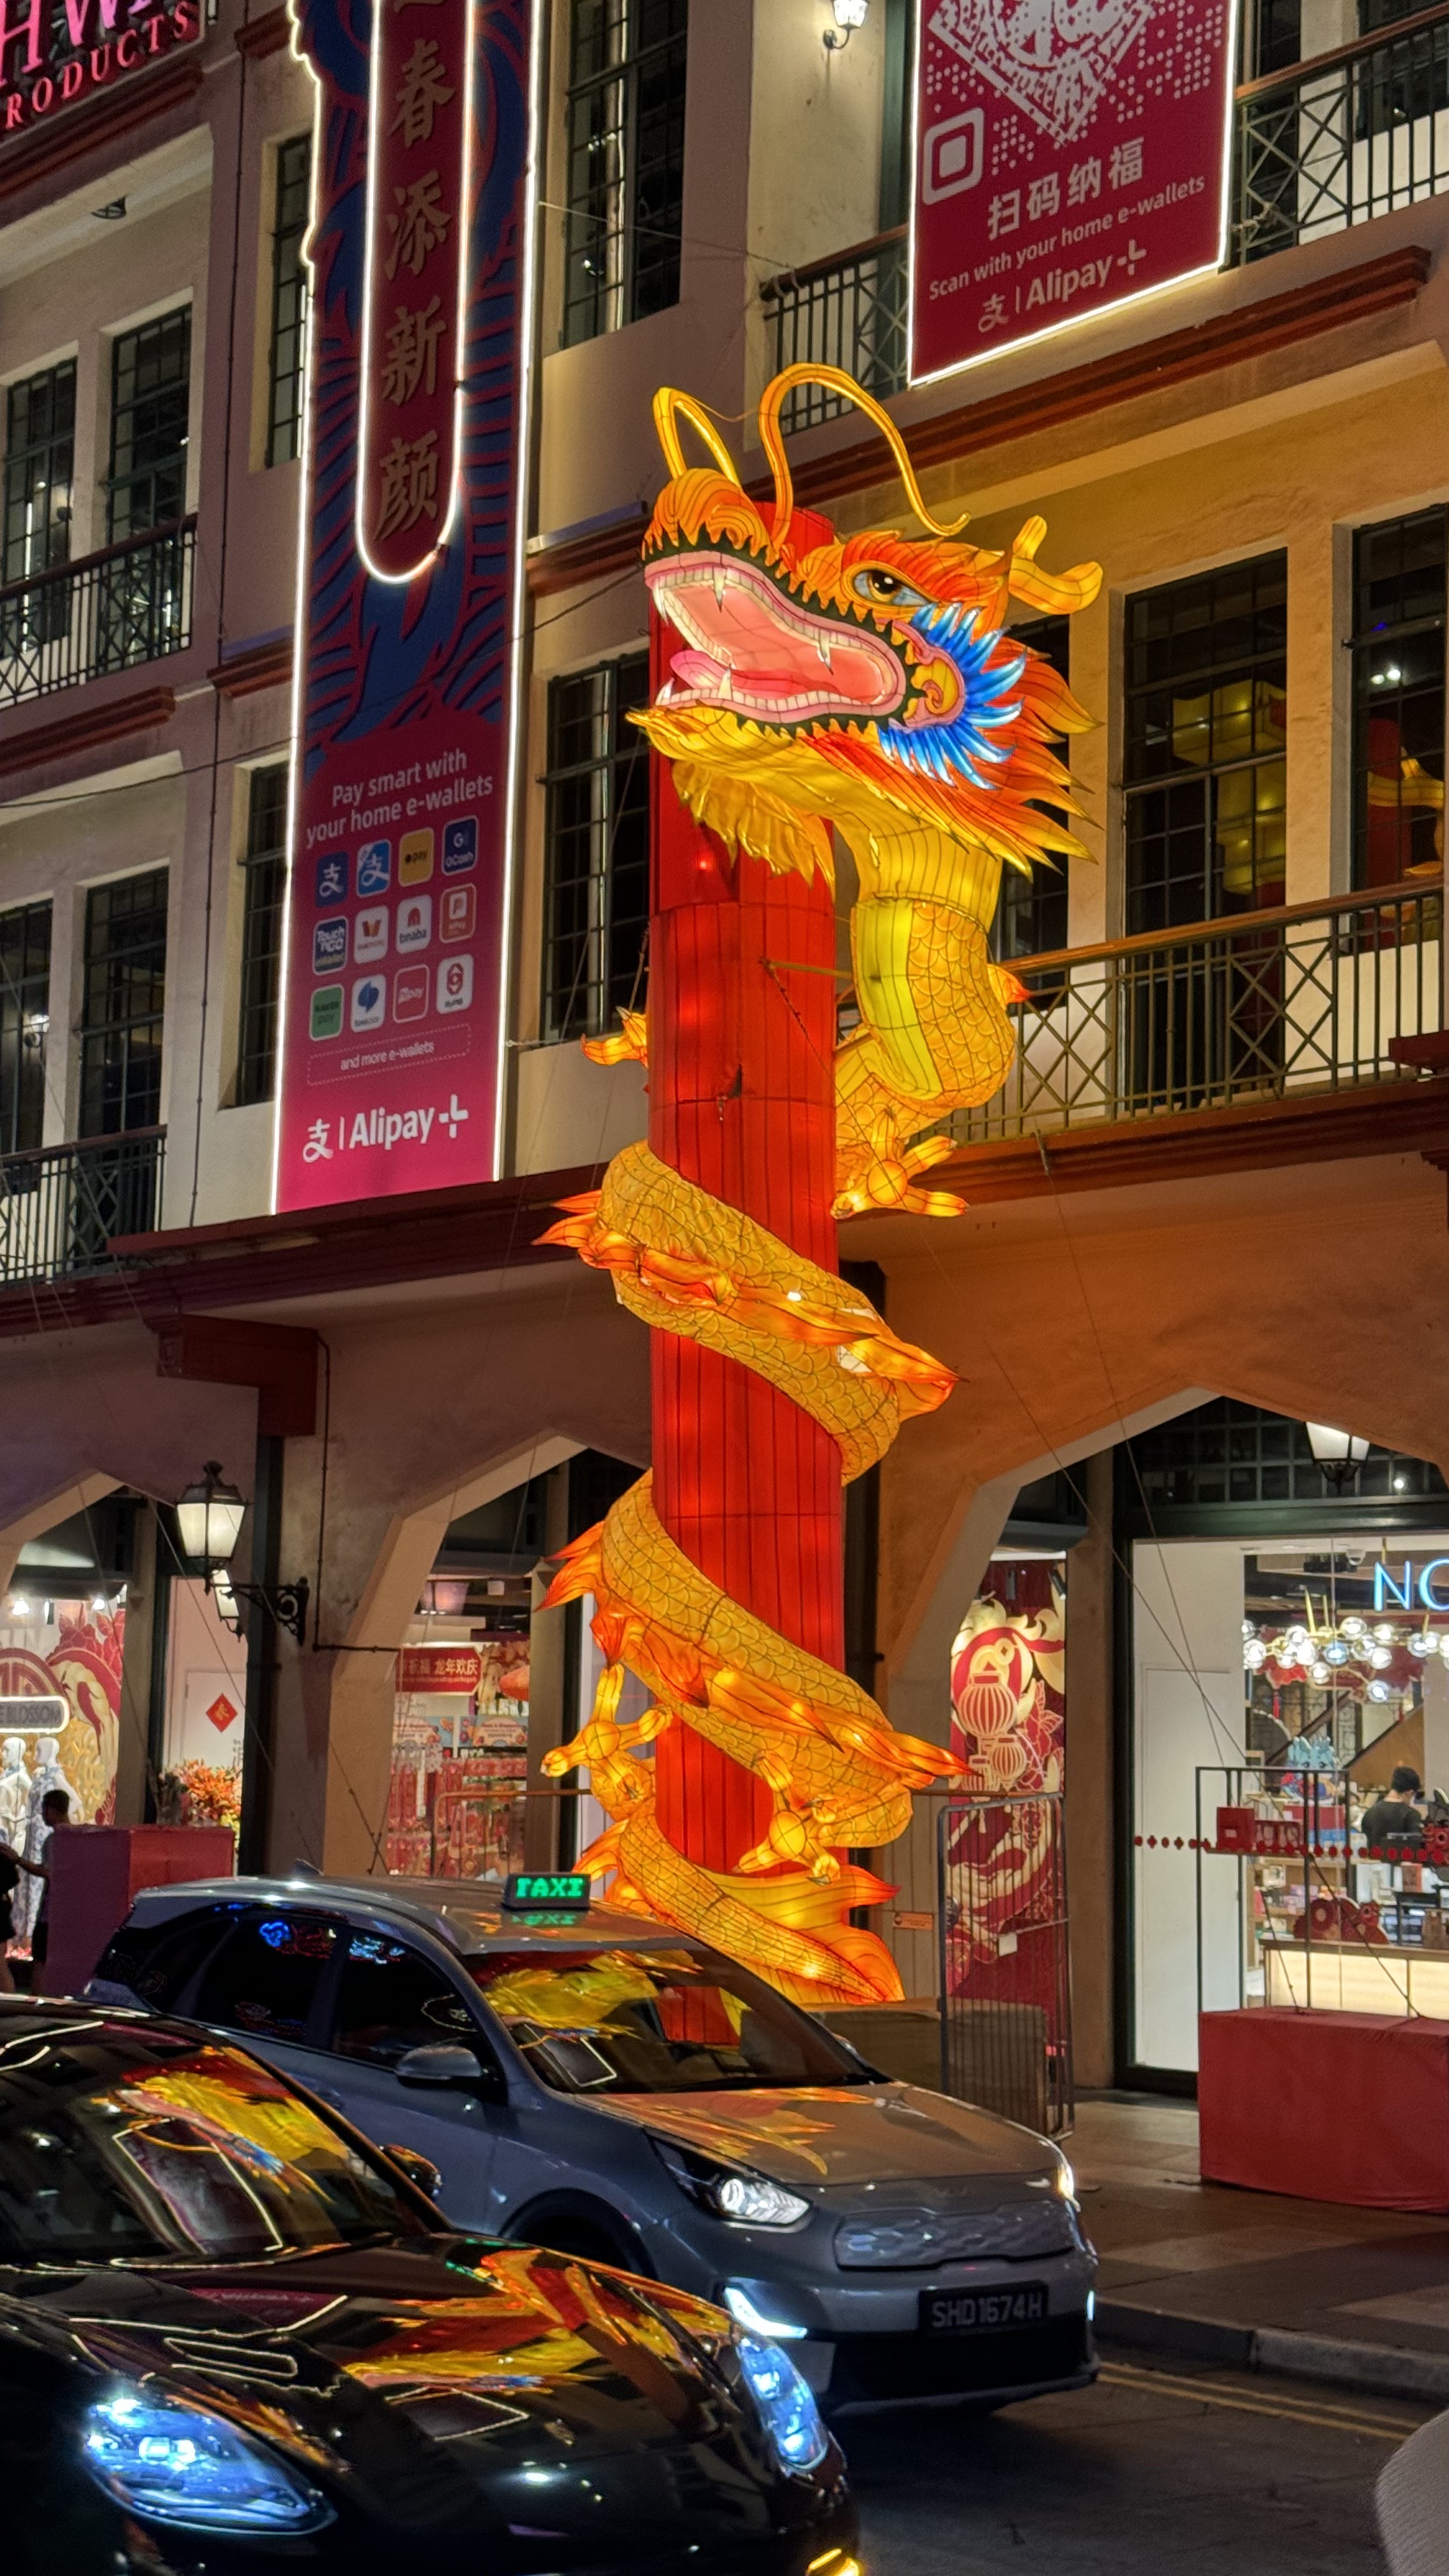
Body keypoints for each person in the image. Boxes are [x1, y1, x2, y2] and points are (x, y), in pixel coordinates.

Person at [0, 1786, 70, 1974]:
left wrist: (18, 1860)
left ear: (52, 1809)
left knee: (40, 1960)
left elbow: (49, 1873)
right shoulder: (76, 1838)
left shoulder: (56, 1840)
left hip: (52, 1913)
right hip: (67, 1913)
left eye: (44, 1809)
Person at [1360, 1767, 1425, 1856]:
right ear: (1410, 1793)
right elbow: (1416, 1849)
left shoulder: (1370, 1813)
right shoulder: (1411, 1815)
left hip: (1373, 1863)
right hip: (1400, 1864)